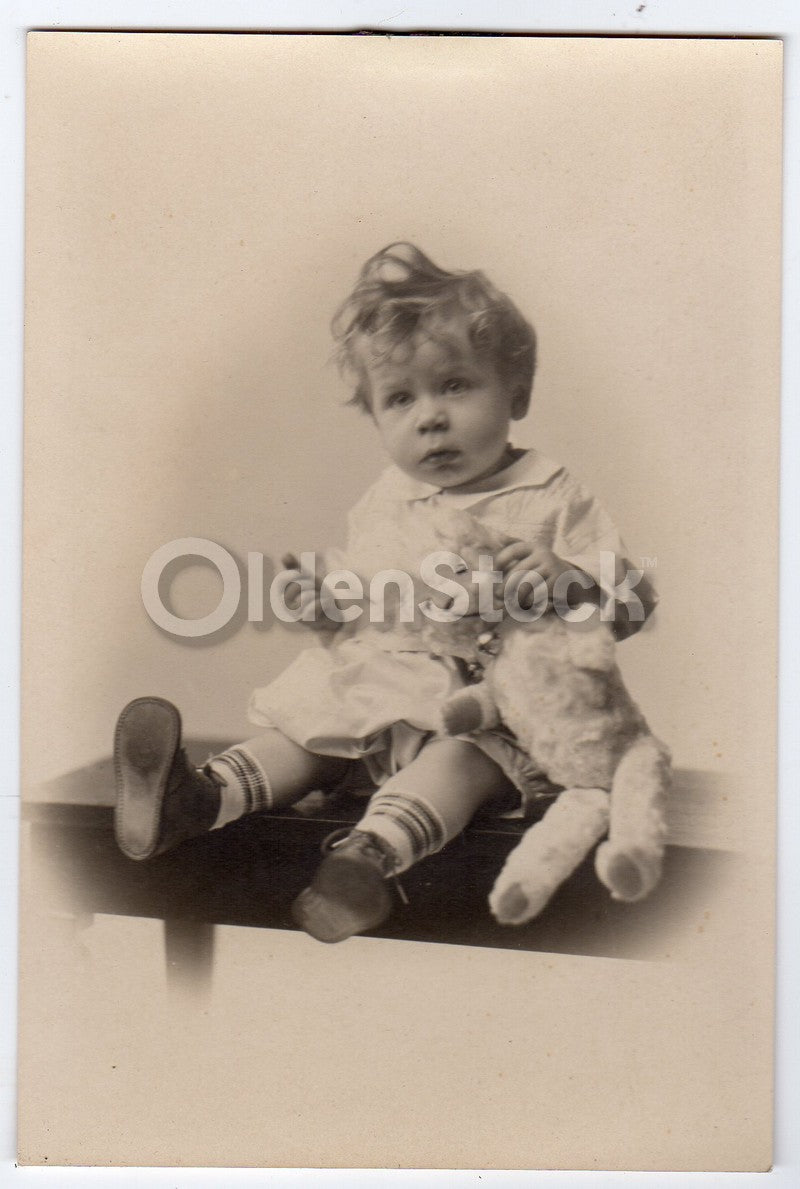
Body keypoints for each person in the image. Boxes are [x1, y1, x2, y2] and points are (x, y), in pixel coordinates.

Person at [113, 242, 656, 943]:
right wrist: (329, 611)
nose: (429, 416)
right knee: (307, 726)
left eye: (455, 385)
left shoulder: (553, 495)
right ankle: (199, 798)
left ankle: (366, 861)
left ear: (516, 392)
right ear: (376, 416)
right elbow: (370, 618)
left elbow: (636, 601)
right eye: (400, 398)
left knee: (461, 759)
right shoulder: (388, 499)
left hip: (496, 711)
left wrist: (573, 577)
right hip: (389, 697)